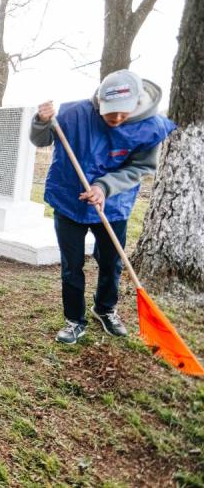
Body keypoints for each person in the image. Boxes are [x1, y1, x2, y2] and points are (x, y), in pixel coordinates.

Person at [31, 69, 175, 345]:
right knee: (72, 266)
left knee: (111, 261)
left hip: (114, 204)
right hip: (69, 198)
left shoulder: (150, 126)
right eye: (111, 111)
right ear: (99, 102)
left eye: (124, 112)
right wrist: (42, 121)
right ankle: (74, 319)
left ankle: (105, 309)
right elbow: (41, 140)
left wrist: (104, 187)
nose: (117, 119)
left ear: (136, 104)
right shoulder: (74, 115)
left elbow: (140, 167)